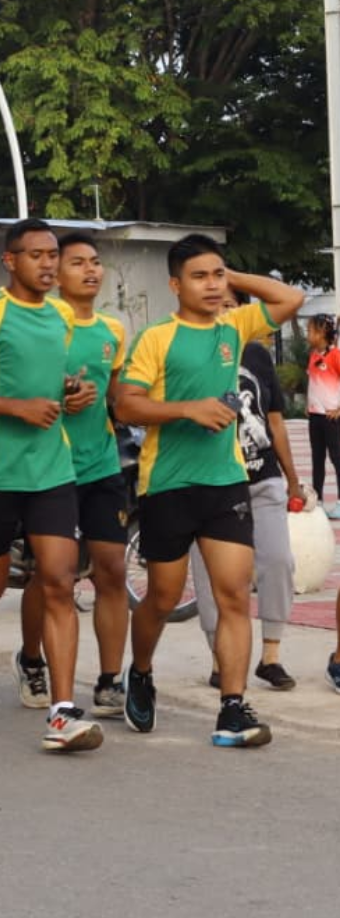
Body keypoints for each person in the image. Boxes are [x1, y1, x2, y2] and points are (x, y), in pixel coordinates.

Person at [117, 233, 302, 748]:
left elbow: (290, 300)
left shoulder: (234, 324)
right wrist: (187, 409)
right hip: (168, 486)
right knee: (162, 597)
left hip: (225, 484)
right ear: (175, 285)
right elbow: (127, 404)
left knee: (233, 598)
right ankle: (143, 670)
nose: (212, 285)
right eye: (199, 277)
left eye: (217, 276)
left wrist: (228, 276)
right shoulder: (156, 337)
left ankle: (232, 708)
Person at [0, 217, 100, 752]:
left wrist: (71, 392)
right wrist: (15, 408)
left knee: (59, 578)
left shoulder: (60, 316)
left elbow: (50, 380)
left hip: (52, 467)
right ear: (10, 261)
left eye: (53, 254)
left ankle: (62, 712)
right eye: (36, 255)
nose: (48, 264)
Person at [16, 232, 131, 718]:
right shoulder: (45, 326)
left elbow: (118, 397)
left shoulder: (112, 331)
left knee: (112, 569)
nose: (91, 270)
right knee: (51, 575)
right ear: (55, 273)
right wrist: (61, 400)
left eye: (96, 262)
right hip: (51, 468)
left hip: (102, 466)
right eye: (77, 262)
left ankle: (108, 681)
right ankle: (32, 659)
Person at [190, 289, 302, 692]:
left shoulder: (256, 354)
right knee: (212, 577)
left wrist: (292, 479)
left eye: (232, 304)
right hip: (210, 482)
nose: (225, 311)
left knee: (278, 561)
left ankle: (270, 656)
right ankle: (220, 659)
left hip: (261, 476)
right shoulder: (185, 349)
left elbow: (274, 421)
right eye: (217, 302)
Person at [304, 314, 340, 518]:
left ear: (322, 332)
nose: (307, 334)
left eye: (310, 330)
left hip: (331, 418)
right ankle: (317, 500)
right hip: (315, 417)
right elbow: (314, 381)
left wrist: (338, 409)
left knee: (337, 458)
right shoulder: (313, 355)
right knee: (317, 459)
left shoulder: (336, 355)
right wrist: (309, 405)